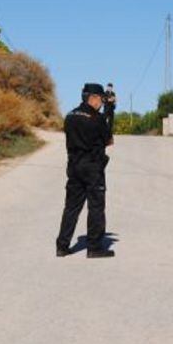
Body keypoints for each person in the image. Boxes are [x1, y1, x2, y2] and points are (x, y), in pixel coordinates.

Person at [57, 83, 114, 259]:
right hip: (92, 167)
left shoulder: (70, 116)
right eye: (102, 100)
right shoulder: (97, 119)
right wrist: (110, 113)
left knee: (71, 207)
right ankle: (94, 247)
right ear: (94, 98)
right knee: (96, 206)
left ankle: (62, 246)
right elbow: (109, 141)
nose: (103, 103)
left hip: (73, 166)